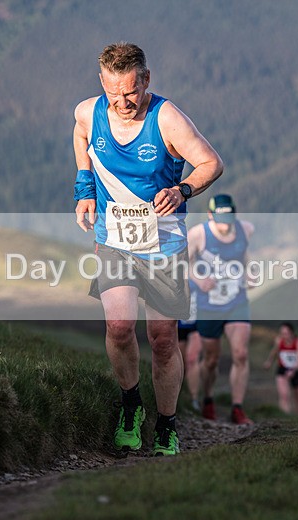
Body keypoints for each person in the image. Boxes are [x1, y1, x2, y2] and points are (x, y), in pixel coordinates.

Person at [72, 42, 223, 456]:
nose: (122, 102)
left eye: (130, 92)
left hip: (163, 243)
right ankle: (131, 406)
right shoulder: (89, 111)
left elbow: (211, 162)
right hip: (114, 239)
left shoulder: (167, 118)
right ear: (102, 83)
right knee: (119, 328)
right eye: (112, 92)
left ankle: (168, 424)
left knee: (161, 337)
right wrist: (84, 189)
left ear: (146, 80)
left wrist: (182, 189)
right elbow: (81, 134)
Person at [189, 194, 256, 425]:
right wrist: (198, 280)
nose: (225, 225)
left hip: (237, 302)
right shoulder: (198, 234)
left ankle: (237, 408)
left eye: (228, 219)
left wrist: (250, 271)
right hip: (209, 306)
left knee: (241, 353)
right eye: (220, 219)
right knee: (210, 360)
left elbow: (245, 255)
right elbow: (181, 262)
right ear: (210, 215)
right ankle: (208, 399)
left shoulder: (245, 229)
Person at [264, 322, 298, 415]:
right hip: (282, 368)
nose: (283, 336)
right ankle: (284, 417)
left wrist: (293, 370)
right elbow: (274, 352)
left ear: (291, 333)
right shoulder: (279, 341)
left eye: (285, 333)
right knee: (284, 395)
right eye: (281, 333)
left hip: (296, 370)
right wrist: (269, 362)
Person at [178, 281, 202, 412]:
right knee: (179, 361)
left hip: (198, 321)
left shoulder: (204, 265)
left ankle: (194, 399)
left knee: (192, 358)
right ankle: (177, 396)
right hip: (177, 322)